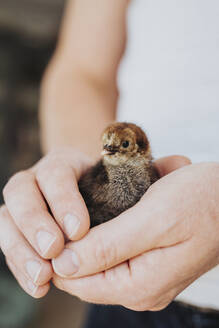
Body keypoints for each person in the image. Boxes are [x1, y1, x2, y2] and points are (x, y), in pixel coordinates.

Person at [1, 0, 219, 327]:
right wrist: (64, 186)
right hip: (122, 298)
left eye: (122, 146)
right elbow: (83, 71)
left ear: (140, 149)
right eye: (108, 147)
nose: (109, 151)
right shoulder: (106, 170)